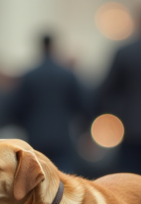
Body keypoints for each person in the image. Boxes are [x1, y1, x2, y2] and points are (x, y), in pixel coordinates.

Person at [97, 10, 141, 185]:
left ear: (140, 23)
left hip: (130, 128)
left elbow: (106, 91)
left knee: (129, 180)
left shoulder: (125, 52)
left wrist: (115, 113)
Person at [8, 34, 89, 173]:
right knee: (63, 179)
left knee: (38, 178)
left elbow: (15, 107)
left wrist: (25, 124)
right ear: (54, 47)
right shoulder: (67, 75)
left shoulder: (29, 76)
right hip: (62, 137)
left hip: (35, 137)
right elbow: (82, 105)